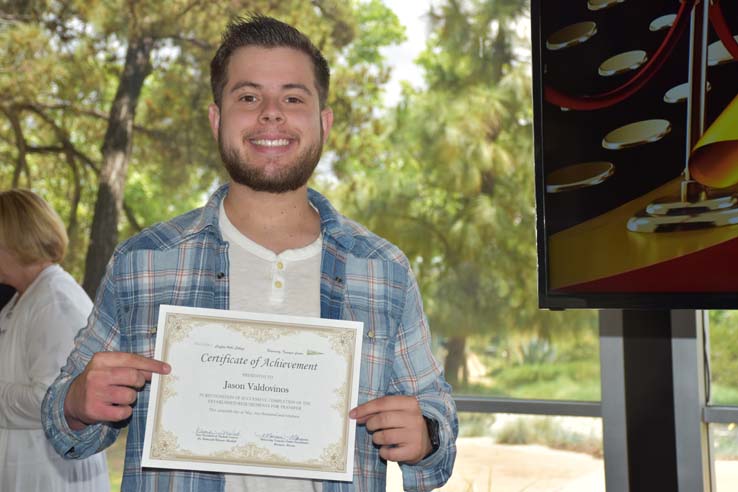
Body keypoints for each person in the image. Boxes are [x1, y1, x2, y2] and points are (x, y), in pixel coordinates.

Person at [42, 15, 457, 492]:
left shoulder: (384, 271)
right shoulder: (143, 261)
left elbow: (437, 428)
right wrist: (77, 402)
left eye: (293, 97)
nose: (271, 113)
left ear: (324, 123)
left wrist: (426, 436)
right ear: (217, 119)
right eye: (248, 96)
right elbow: (62, 425)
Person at [0, 189, 110, 491]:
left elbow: (53, 400)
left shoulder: (55, 301)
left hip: (51, 476)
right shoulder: (25, 297)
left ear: (13, 240)